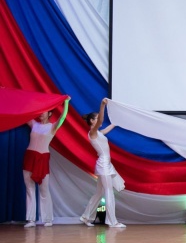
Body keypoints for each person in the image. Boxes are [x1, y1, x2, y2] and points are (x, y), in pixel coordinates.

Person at [23, 97, 70, 228]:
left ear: (49, 114)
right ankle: (30, 220)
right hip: (29, 157)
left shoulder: (52, 127)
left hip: (42, 159)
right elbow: (23, 113)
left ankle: (47, 219)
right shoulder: (34, 124)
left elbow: (62, 118)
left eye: (45, 111)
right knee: (29, 189)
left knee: (44, 190)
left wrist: (66, 103)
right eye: (41, 111)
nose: (41, 113)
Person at [80, 98, 126, 228]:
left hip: (105, 165)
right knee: (108, 192)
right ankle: (112, 222)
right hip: (103, 165)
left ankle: (85, 216)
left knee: (99, 193)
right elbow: (101, 120)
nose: (100, 120)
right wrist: (102, 105)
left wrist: (116, 123)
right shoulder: (92, 132)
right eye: (96, 118)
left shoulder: (98, 133)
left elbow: (106, 129)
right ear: (92, 121)